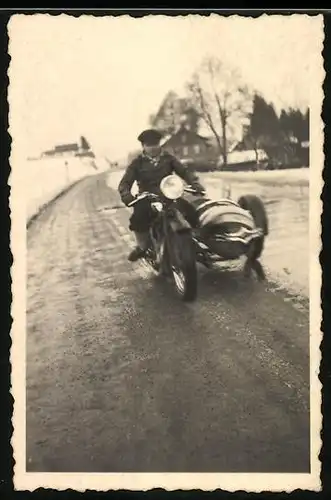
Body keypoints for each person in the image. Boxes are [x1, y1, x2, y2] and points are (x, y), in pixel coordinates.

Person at [118, 128, 205, 261]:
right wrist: (126, 195)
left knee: (190, 211)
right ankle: (142, 247)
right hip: (147, 198)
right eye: (149, 145)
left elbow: (184, 171)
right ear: (143, 146)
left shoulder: (168, 159)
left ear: (160, 144)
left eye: (155, 144)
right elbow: (125, 183)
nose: (153, 148)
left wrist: (195, 183)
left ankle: (194, 240)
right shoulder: (137, 163)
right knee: (138, 217)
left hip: (169, 194)